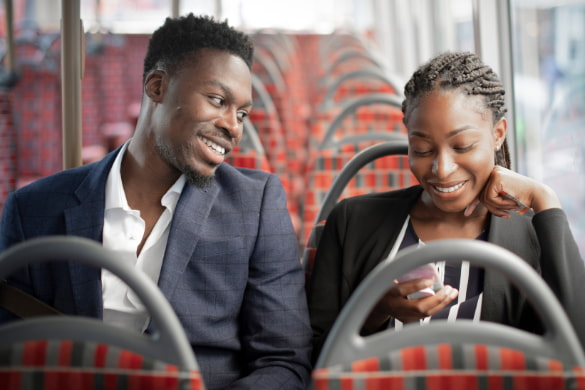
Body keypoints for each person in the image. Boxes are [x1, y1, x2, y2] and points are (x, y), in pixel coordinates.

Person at [0, 14, 312, 389]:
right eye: (217, 100)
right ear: (157, 86)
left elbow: (284, 361)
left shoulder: (254, 205)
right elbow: (13, 356)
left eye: (241, 113)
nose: (234, 126)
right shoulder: (34, 210)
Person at [307, 51, 585, 364]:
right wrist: (375, 312)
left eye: (462, 147)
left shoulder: (533, 236)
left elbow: (576, 352)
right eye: (422, 149)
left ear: (498, 134)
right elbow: (314, 358)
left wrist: (544, 198)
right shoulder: (351, 223)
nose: (441, 169)